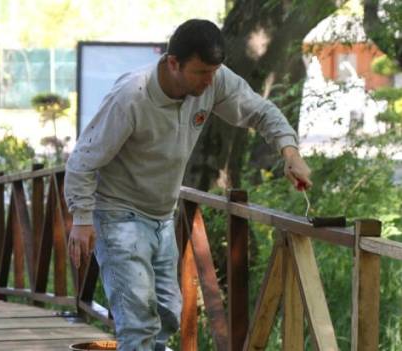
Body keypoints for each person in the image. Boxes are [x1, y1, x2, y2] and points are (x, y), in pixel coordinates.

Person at [64, 19, 312, 351]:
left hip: (162, 216)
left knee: (167, 315)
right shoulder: (131, 97)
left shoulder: (214, 80)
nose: (209, 81)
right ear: (172, 63)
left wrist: (290, 152)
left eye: (214, 72)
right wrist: (81, 219)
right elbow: (83, 159)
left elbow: (259, 111)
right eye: (201, 73)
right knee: (138, 322)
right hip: (118, 215)